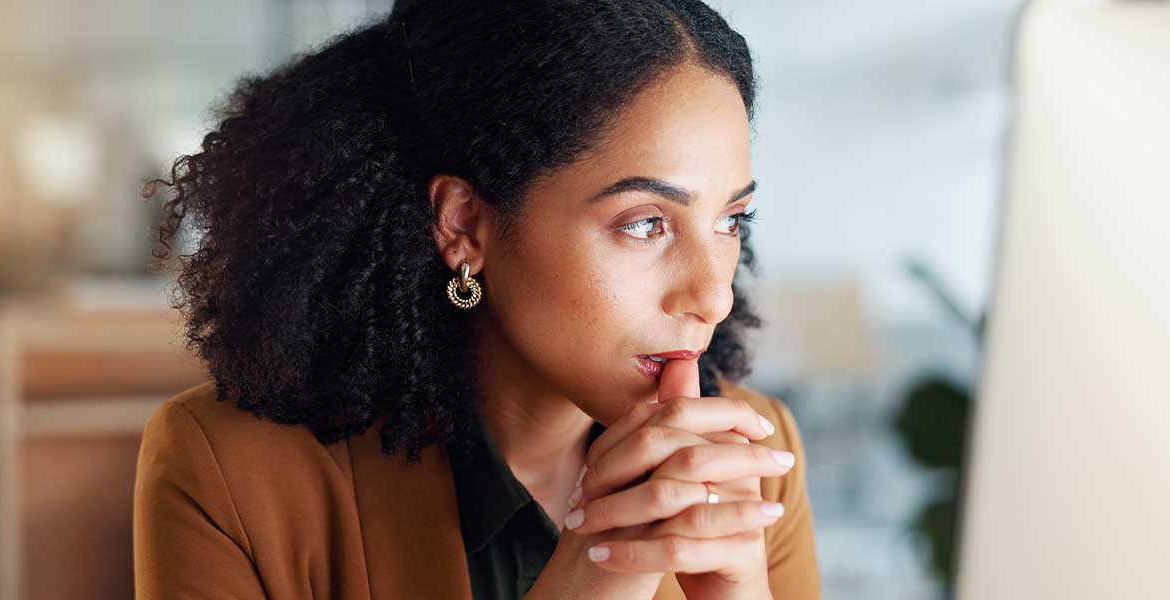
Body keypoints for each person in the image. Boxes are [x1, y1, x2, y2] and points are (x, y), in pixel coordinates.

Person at [132, 1, 820, 598]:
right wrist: (592, 581)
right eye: (644, 223)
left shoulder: (753, 463)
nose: (713, 296)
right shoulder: (226, 474)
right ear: (464, 226)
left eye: (732, 221)